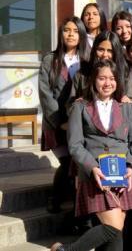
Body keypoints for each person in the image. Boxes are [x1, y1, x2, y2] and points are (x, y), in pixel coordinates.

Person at [50, 59, 132, 251]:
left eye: (112, 78)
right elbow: (75, 145)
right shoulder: (80, 106)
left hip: (124, 175)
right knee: (113, 227)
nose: (107, 83)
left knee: (115, 231)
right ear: (94, 80)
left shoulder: (127, 107)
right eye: (102, 78)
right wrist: (92, 167)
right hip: (95, 174)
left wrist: (130, 166)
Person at [39, 16, 89, 214]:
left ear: (81, 35)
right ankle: (55, 197)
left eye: (75, 31)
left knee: (77, 163)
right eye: (67, 30)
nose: (71, 34)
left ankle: (76, 206)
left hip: (79, 123)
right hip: (55, 124)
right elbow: (45, 94)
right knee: (67, 161)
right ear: (61, 34)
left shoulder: (86, 61)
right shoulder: (50, 60)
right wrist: (60, 122)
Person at [69, 31, 132, 106]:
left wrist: (127, 102)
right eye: (101, 50)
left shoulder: (125, 73)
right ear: (94, 50)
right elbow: (70, 104)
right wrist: (77, 104)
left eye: (110, 51)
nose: (105, 55)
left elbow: (131, 99)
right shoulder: (82, 74)